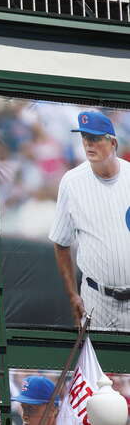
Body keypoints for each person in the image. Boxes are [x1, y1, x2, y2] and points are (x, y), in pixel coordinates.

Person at [49, 111, 130, 331]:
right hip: (97, 299)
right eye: (84, 137)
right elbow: (61, 242)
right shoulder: (72, 182)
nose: (88, 143)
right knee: (99, 364)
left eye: (94, 138)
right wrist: (72, 295)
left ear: (112, 142)